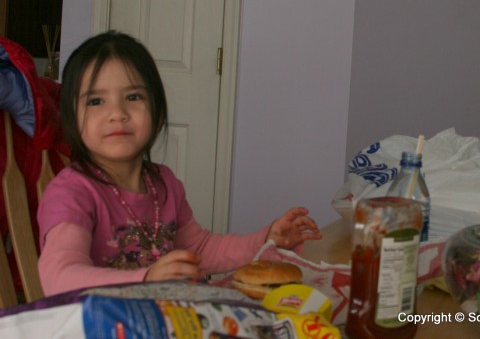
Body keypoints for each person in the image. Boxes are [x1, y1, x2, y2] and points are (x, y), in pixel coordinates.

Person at [37, 30, 321, 296]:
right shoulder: (71, 193)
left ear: (158, 112)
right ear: (72, 117)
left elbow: (200, 249)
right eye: (96, 101)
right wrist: (146, 279)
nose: (118, 113)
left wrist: (265, 240)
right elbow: (59, 278)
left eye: (133, 97)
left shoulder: (164, 184)